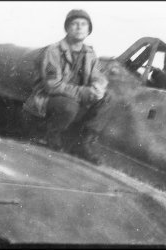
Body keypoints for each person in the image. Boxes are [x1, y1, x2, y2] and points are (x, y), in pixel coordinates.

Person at [23, 9, 108, 164]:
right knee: (69, 106)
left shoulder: (90, 53)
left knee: (107, 98)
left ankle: (83, 143)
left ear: (88, 30)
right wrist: (85, 92)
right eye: (74, 24)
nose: (79, 28)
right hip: (49, 99)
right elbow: (52, 85)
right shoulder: (53, 51)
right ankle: (51, 135)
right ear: (67, 28)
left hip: (76, 99)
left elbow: (99, 75)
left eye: (84, 24)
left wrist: (98, 88)